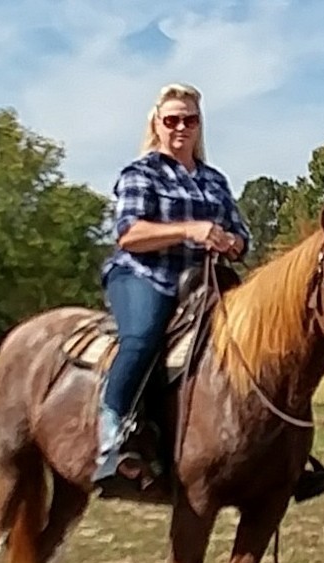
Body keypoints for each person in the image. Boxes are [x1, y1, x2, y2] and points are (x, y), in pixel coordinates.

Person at [93, 83, 251, 485]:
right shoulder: (140, 173)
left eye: (190, 120)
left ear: (200, 126)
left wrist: (232, 242)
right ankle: (111, 434)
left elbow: (242, 235)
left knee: (256, 343)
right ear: (158, 125)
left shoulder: (214, 180)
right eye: (172, 120)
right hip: (144, 275)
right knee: (143, 337)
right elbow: (129, 234)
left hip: (203, 283)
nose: (181, 127)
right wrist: (190, 230)